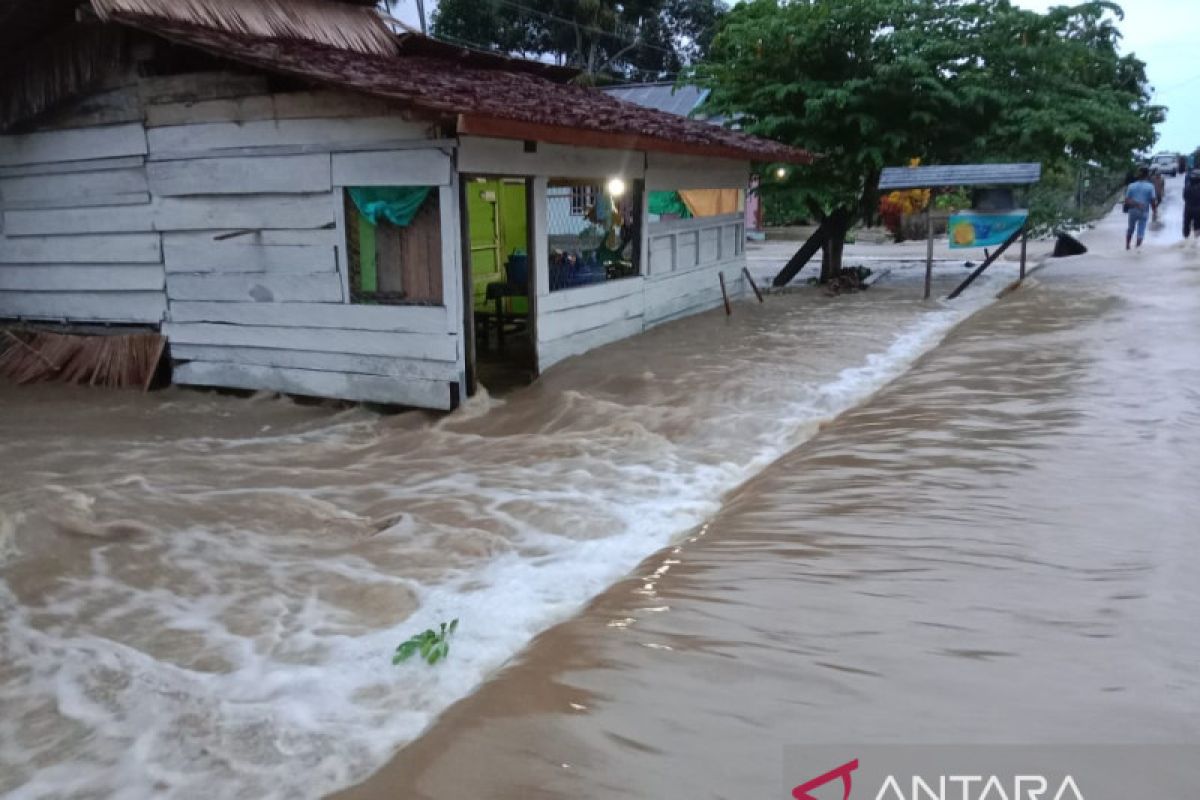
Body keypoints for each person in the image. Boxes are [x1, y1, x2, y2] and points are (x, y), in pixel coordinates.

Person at [1124, 167, 1157, 250]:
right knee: (1141, 231)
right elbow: (1153, 200)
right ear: (1147, 175)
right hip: (1144, 211)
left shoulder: (1131, 186)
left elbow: (1127, 200)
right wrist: (1154, 211)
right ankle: (1137, 250)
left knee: (1130, 228)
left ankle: (1127, 246)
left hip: (1132, 210)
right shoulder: (1150, 186)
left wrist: (1136, 204)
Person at [1184, 169, 1200, 244]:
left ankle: (1186, 241)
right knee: (1197, 226)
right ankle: (1195, 243)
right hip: (1197, 209)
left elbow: (1184, 197)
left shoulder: (1187, 186)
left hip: (1188, 208)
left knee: (1186, 226)